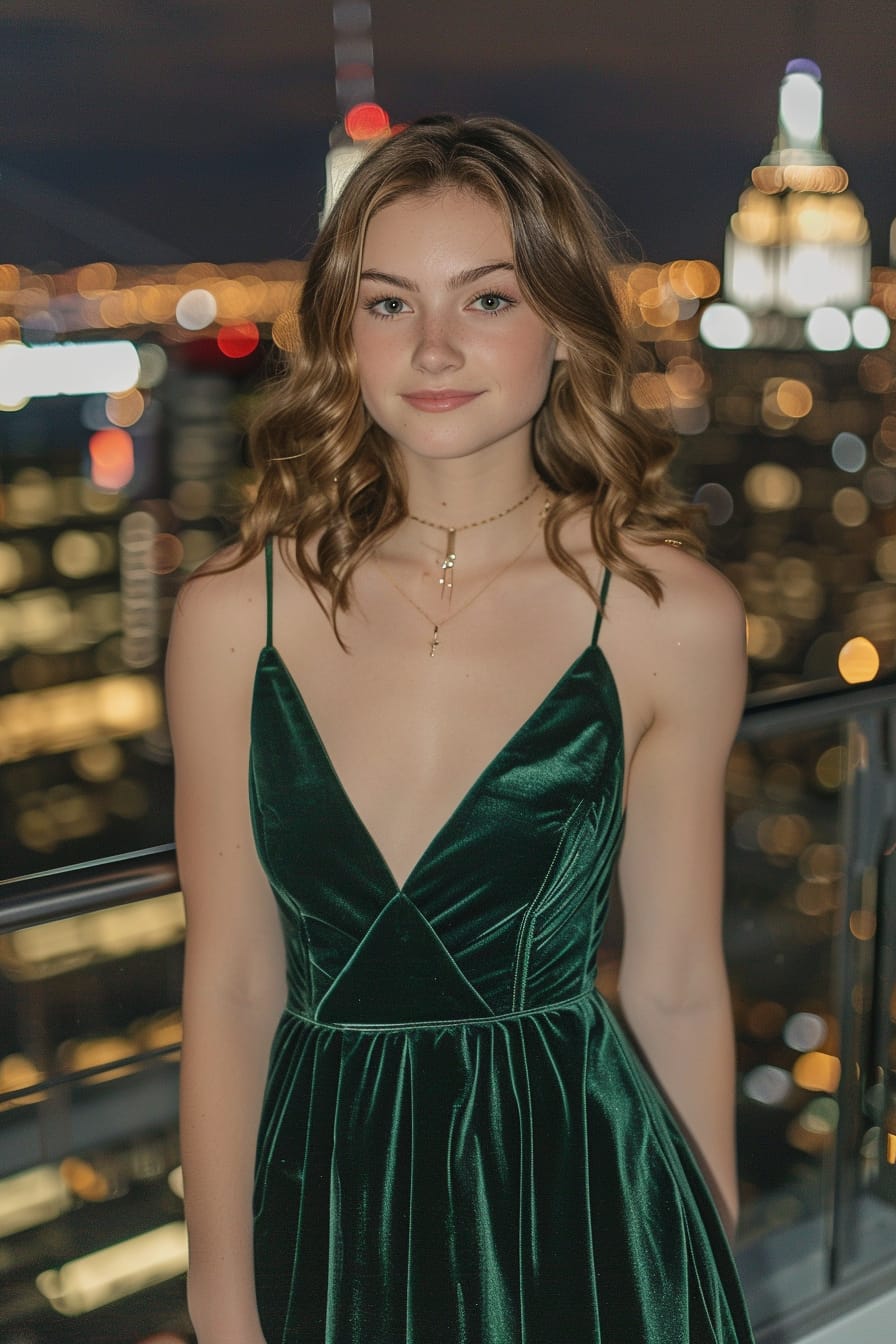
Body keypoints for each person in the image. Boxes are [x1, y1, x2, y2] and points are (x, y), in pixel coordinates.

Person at [165, 114, 755, 1343]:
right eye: (387, 305)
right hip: (324, 1207)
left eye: (484, 300)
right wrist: (220, 1297)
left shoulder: (666, 618)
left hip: (583, 1216)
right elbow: (230, 985)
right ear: (341, 335)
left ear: (560, 326)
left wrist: (700, 1256)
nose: (432, 346)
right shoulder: (233, 615)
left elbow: (678, 984)